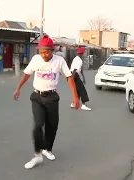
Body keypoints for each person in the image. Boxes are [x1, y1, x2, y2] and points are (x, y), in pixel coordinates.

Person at [13, 35, 80, 169]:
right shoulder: (36, 59)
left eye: (46, 52)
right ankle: (37, 155)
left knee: (52, 125)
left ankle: (47, 149)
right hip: (37, 96)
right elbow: (27, 74)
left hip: (52, 97)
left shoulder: (59, 61)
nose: (44, 54)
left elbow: (68, 77)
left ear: (52, 50)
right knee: (38, 125)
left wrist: (75, 96)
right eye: (41, 52)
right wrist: (18, 88)